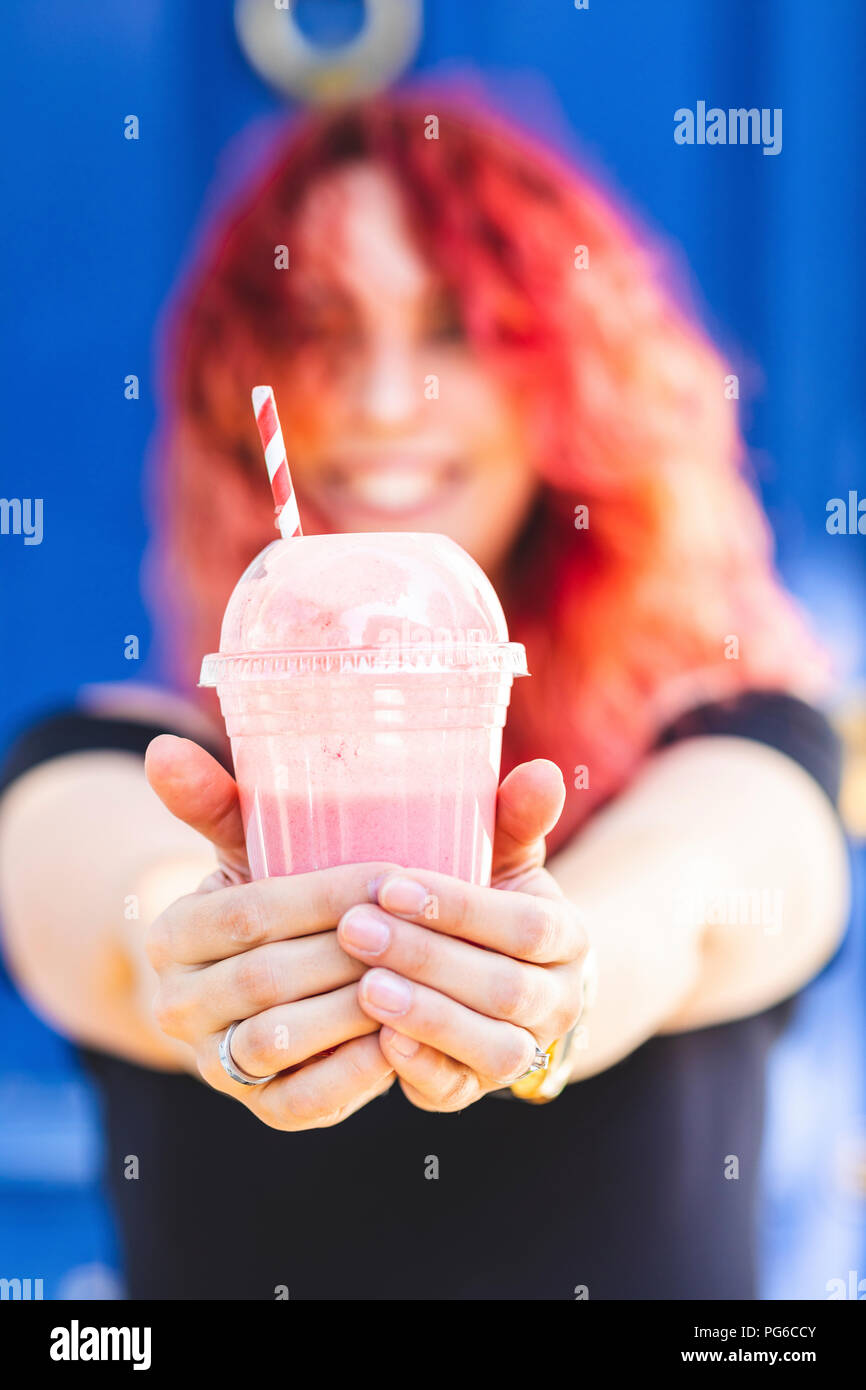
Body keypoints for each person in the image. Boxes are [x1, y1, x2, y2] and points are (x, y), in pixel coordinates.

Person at [0, 96, 849, 1299]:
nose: (386, 400)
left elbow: (700, 897)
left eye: (454, 330)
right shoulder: (104, 762)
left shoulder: (727, 744)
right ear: (246, 384)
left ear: (562, 384)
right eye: (325, 327)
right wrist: (202, 958)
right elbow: (109, 919)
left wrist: (554, 977)